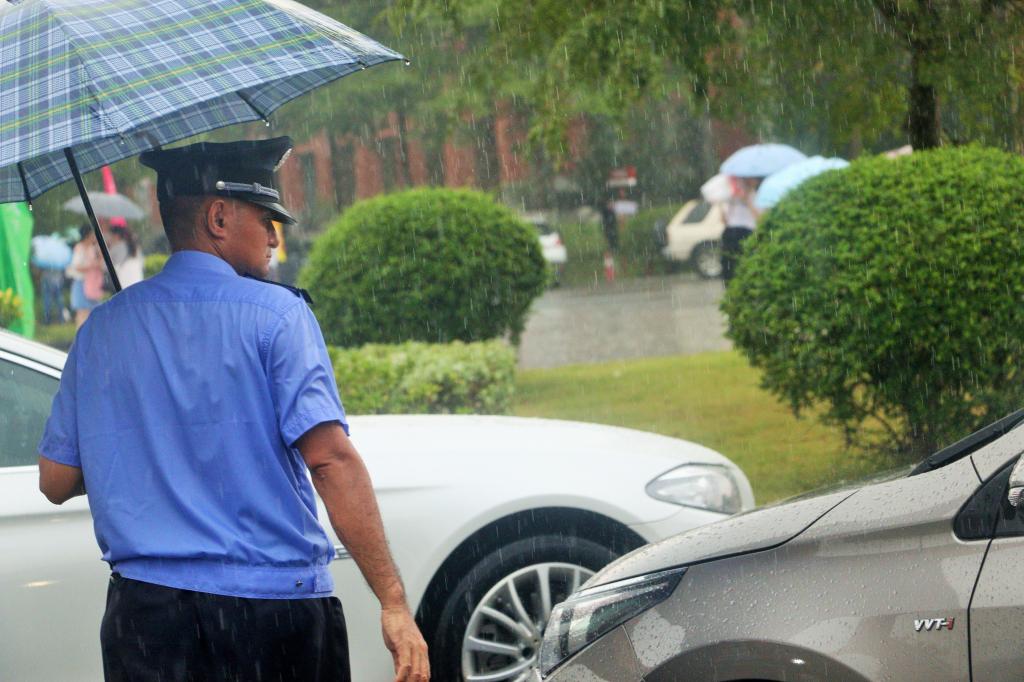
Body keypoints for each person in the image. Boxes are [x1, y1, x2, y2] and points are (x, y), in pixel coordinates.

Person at [37, 137, 429, 682]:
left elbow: (56, 480)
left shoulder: (102, 328)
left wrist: (148, 454)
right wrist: (393, 602)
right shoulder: (279, 316)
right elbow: (328, 460)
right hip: (272, 617)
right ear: (218, 217)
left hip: (146, 622)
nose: (274, 237)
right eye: (266, 219)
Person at [720, 176, 762, 282]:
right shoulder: (732, 197)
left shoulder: (757, 196)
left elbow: (760, 218)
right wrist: (722, 206)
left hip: (748, 232)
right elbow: (724, 219)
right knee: (729, 264)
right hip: (731, 231)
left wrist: (747, 202)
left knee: (747, 263)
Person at [65, 225, 105, 328]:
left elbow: (100, 263)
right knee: (82, 313)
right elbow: (76, 266)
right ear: (88, 235)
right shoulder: (79, 248)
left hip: (92, 283)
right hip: (81, 283)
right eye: (92, 234)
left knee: (93, 312)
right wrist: (91, 266)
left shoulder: (93, 248)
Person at [105, 223, 145, 288]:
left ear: (116, 236)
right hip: (138, 280)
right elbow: (142, 263)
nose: (108, 239)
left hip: (124, 283)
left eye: (110, 236)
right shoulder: (134, 246)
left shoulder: (117, 248)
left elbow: (106, 267)